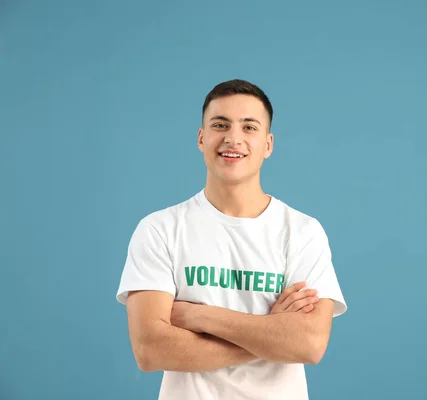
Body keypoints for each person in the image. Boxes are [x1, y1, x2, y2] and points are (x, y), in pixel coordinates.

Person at [116, 79, 347, 400]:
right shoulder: (159, 229)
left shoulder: (303, 232)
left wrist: (200, 316)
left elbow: (309, 344)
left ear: (268, 144)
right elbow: (150, 350)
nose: (233, 138)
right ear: (201, 137)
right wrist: (271, 334)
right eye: (220, 125)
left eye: (249, 127)